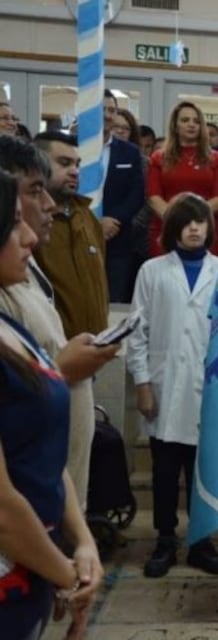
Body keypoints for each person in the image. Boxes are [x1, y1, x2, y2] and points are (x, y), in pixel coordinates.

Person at [0, 169, 104, 640]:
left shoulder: (11, 325)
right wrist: (67, 577)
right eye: (12, 225)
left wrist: (81, 540)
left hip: (40, 568)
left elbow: (41, 448)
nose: (29, 237)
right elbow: (2, 510)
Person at [0, 136, 118, 513]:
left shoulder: (26, 264)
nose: (49, 204)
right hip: (27, 514)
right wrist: (62, 369)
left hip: (56, 494)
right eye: (36, 190)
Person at [127, 193, 218, 579]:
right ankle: (166, 539)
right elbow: (138, 332)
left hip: (210, 386)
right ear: (173, 228)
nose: (194, 228)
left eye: (200, 221)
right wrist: (142, 383)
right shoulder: (152, 271)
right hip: (164, 384)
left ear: (210, 227)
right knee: (165, 469)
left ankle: (201, 541)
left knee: (203, 469)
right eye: (186, 222)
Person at [32, 131, 110, 340]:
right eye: (64, 163)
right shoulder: (28, 223)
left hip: (91, 352)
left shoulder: (87, 218)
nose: (75, 171)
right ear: (37, 166)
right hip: (48, 354)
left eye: (77, 164)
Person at [147, 101, 218, 257]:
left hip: (205, 231)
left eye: (197, 121)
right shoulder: (158, 158)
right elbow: (153, 198)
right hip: (168, 231)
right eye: (185, 120)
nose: (192, 125)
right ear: (175, 126)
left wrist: (193, 220)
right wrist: (177, 220)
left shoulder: (217, 159)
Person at [101, 90, 146, 303]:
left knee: (114, 298)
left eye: (111, 110)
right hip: (75, 234)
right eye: (102, 109)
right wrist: (93, 222)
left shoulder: (129, 152)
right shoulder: (73, 147)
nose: (108, 115)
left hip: (117, 237)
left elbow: (137, 193)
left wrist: (113, 220)